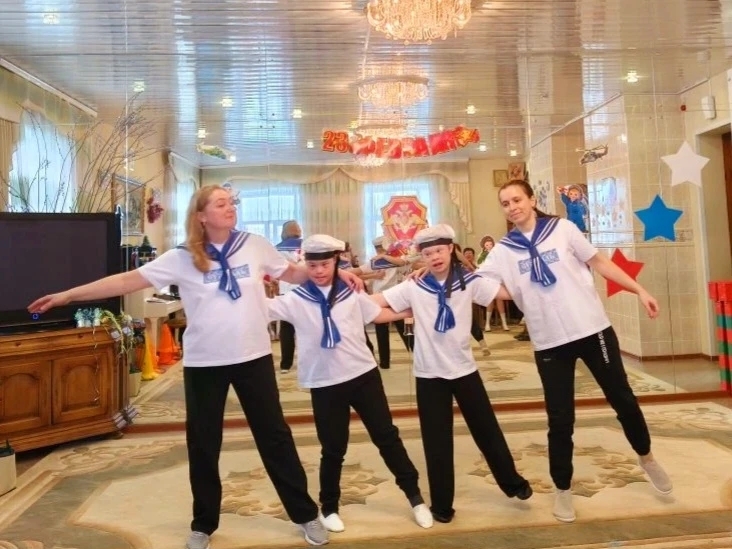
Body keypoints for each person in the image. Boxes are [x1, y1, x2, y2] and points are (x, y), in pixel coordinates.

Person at [27, 186, 364, 549]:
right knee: (203, 443)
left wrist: (340, 273)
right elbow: (127, 280)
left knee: (275, 437)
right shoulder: (182, 257)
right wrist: (68, 295)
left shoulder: (254, 244)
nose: (230, 207)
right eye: (221, 203)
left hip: (253, 358)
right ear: (201, 216)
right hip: (205, 363)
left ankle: (305, 514)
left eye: (231, 202)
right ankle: (203, 524)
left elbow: (294, 274)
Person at [477, 179, 672, 523]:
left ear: (531, 199)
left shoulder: (562, 229)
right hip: (549, 341)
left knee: (623, 399)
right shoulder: (504, 250)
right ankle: (562, 488)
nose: (512, 207)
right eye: (505, 204)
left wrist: (639, 290)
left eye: (517, 200)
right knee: (560, 418)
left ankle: (647, 457)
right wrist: (517, 292)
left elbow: (601, 263)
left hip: (592, 329)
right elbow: (479, 284)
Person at [267, 234, 433, 533]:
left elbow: (377, 314)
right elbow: (260, 308)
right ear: (305, 265)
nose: (319, 271)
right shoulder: (295, 299)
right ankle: (329, 506)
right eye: (313, 265)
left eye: (325, 264)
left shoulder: (351, 292)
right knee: (333, 448)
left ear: (336, 262)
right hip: (325, 383)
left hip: (363, 376)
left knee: (387, 437)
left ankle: (415, 498)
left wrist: (416, 309)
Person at [372, 224, 533, 524]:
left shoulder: (467, 281)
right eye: (428, 253)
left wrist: (529, 274)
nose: (435, 257)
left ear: (450, 250)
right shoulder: (414, 286)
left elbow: (507, 293)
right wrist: (402, 311)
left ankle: (512, 483)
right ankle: (442, 505)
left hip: (464, 370)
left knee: (487, 430)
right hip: (429, 375)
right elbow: (375, 305)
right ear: (421, 257)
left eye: (439, 250)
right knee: (436, 442)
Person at [351, 236, 414, 369]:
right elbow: (356, 272)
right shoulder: (379, 262)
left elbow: (356, 272)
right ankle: (412, 355)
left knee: (389, 331)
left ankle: (386, 362)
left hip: (387, 299)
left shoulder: (388, 260)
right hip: (388, 299)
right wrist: (374, 275)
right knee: (399, 329)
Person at [276, 220, 303, 374]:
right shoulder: (306, 246)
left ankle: (285, 364)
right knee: (307, 325)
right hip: (304, 289)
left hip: (286, 289)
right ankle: (309, 359)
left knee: (287, 328)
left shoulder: (277, 248)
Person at [477, 236, 509, 332]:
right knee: (490, 299)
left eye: (490, 244)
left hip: (497, 278)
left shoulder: (497, 253)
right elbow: (480, 265)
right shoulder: (481, 255)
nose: (489, 246)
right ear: (484, 246)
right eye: (487, 245)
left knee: (500, 299)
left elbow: (502, 264)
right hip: (488, 279)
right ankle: (487, 323)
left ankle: (504, 323)